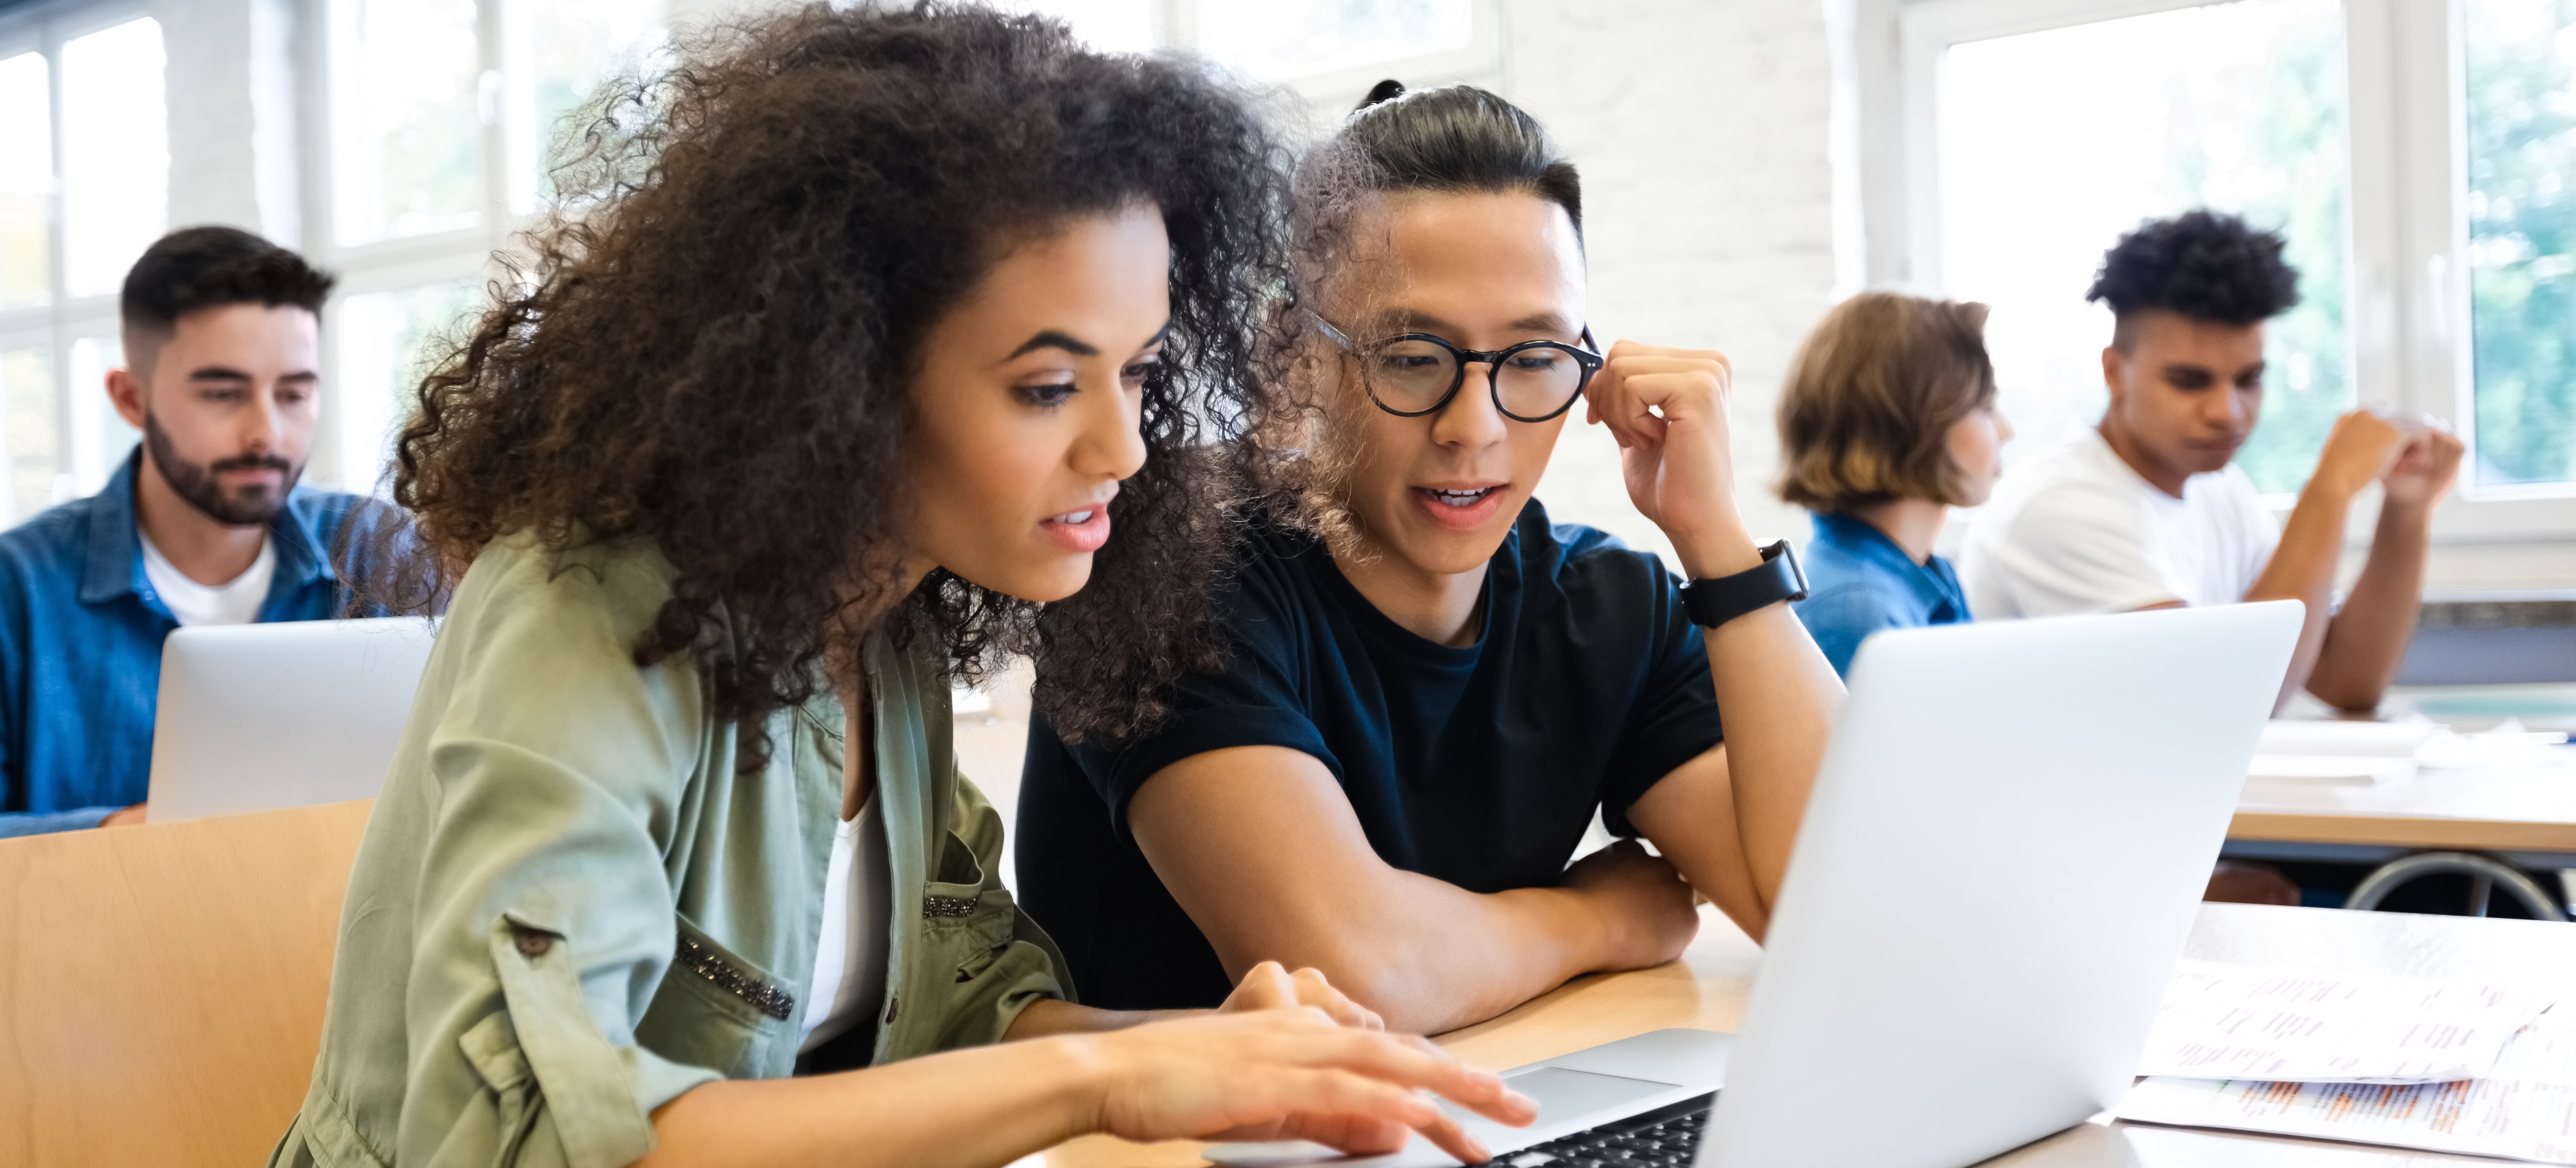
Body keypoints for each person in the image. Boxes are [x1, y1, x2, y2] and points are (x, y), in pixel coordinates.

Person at [270, 10, 1535, 1168]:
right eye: (1047, 386)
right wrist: (1113, 1075)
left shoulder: (886, 618)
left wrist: (1224, 1054)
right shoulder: (584, 607)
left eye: (1140, 373)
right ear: (843, 378)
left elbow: (962, 1000)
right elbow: (537, 1136)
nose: (1125, 446)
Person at [1015, 80, 1845, 1035]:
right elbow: (1360, 974)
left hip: (1478, 1108)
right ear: (1295, 358)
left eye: (1533, 357)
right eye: (1412, 356)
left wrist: (1715, 540)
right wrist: (1599, 916)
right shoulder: (1162, 575)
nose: (1474, 428)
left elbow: (1839, 914)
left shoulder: (1609, 607)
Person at [1960, 210, 2461, 713]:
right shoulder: (2062, 508)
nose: (2228, 412)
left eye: (2248, 380)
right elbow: (2228, 702)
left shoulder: (2221, 490)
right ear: (2115, 372)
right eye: (2189, 381)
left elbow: (2343, 679)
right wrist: (2330, 487)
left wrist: (2407, 511)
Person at [0, 226, 400, 837]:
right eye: (222, 393)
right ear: (132, 399)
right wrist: (120, 837)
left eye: (294, 393)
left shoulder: (383, 553)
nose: (266, 432)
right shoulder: (18, 588)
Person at [1775, 291, 2012, 676]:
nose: (2005, 431)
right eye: (1985, 406)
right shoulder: (1856, 611)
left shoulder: (1923, 576)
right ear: (1916, 421)